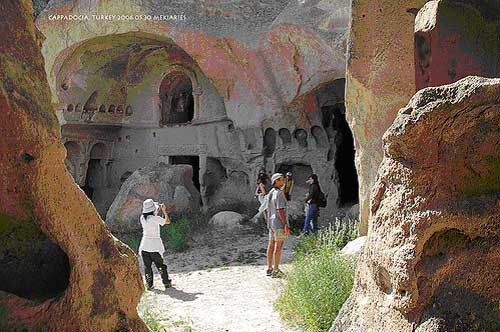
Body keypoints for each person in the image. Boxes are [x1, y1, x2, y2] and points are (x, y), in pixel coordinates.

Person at [139, 198, 172, 290]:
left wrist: (156, 211)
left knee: (147, 267)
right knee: (160, 265)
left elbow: (150, 216)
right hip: (154, 246)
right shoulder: (155, 219)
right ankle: (166, 282)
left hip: (144, 245)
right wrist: (164, 211)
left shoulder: (142, 218)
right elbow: (167, 221)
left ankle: (149, 284)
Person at [263, 173, 291, 278]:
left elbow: (266, 208)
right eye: (282, 180)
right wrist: (285, 225)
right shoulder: (279, 193)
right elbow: (280, 210)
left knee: (271, 246)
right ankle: (276, 270)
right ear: (276, 181)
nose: (284, 182)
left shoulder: (271, 192)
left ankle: (269, 268)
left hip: (271, 223)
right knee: (278, 247)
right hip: (278, 223)